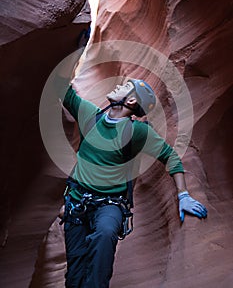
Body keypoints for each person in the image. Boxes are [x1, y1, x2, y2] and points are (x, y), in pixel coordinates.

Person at [57, 58, 207, 288]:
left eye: (125, 86)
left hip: (110, 205)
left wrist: (183, 195)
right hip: (77, 204)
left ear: (132, 100)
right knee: (74, 275)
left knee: (105, 235)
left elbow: (170, 157)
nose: (118, 85)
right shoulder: (90, 115)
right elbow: (62, 90)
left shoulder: (136, 132)